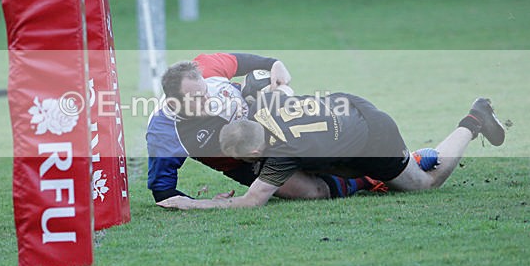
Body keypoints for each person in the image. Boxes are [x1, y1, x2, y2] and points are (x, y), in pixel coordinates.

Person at [157, 90, 505, 210]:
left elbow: (252, 202)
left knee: (426, 182)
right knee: (343, 165)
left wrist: (191, 203)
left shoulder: (279, 153)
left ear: (253, 153)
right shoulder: (265, 106)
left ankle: (474, 120)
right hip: (351, 105)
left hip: (375, 137)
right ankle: (393, 168)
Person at [146, 54, 379, 204]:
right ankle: (368, 181)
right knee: (315, 192)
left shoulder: (206, 67)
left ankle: (390, 161)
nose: (209, 100)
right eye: (198, 98)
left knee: (330, 147)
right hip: (246, 162)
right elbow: (163, 191)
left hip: (273, 122)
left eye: (206, 91)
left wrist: (275, 65)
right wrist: (201, 203)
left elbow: (248, 63)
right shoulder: (164, 134)